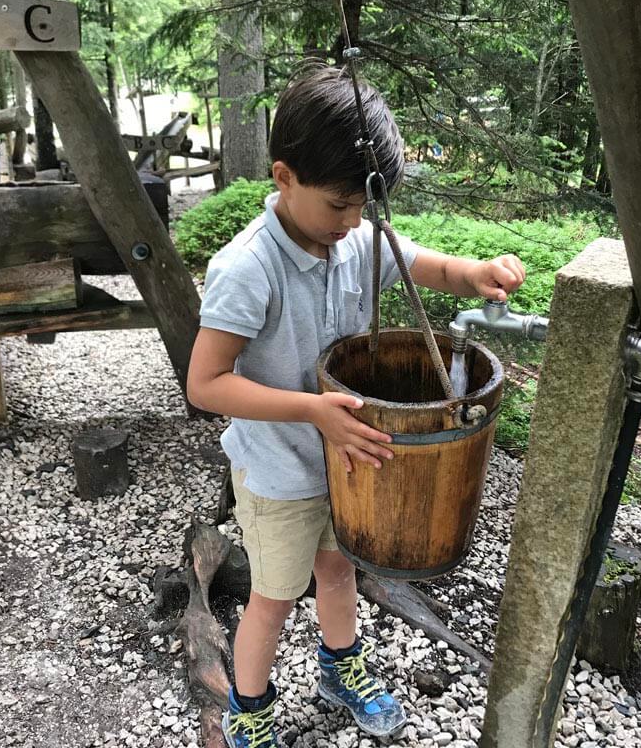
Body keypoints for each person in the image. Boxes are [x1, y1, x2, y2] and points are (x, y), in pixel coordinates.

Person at [186, 64, 525, 748]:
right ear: (284, 177)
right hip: (281, 474)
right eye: (339, 204)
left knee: (340, 570)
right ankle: (249, 709)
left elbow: (422, 262)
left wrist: (475, 272)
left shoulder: (356, 239)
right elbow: (205, 384)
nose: (352, 222)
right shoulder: (248, 269)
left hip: (347, 468)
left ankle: (341, 671)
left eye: (363, 207)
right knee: (273, 599)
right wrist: (313, 411)